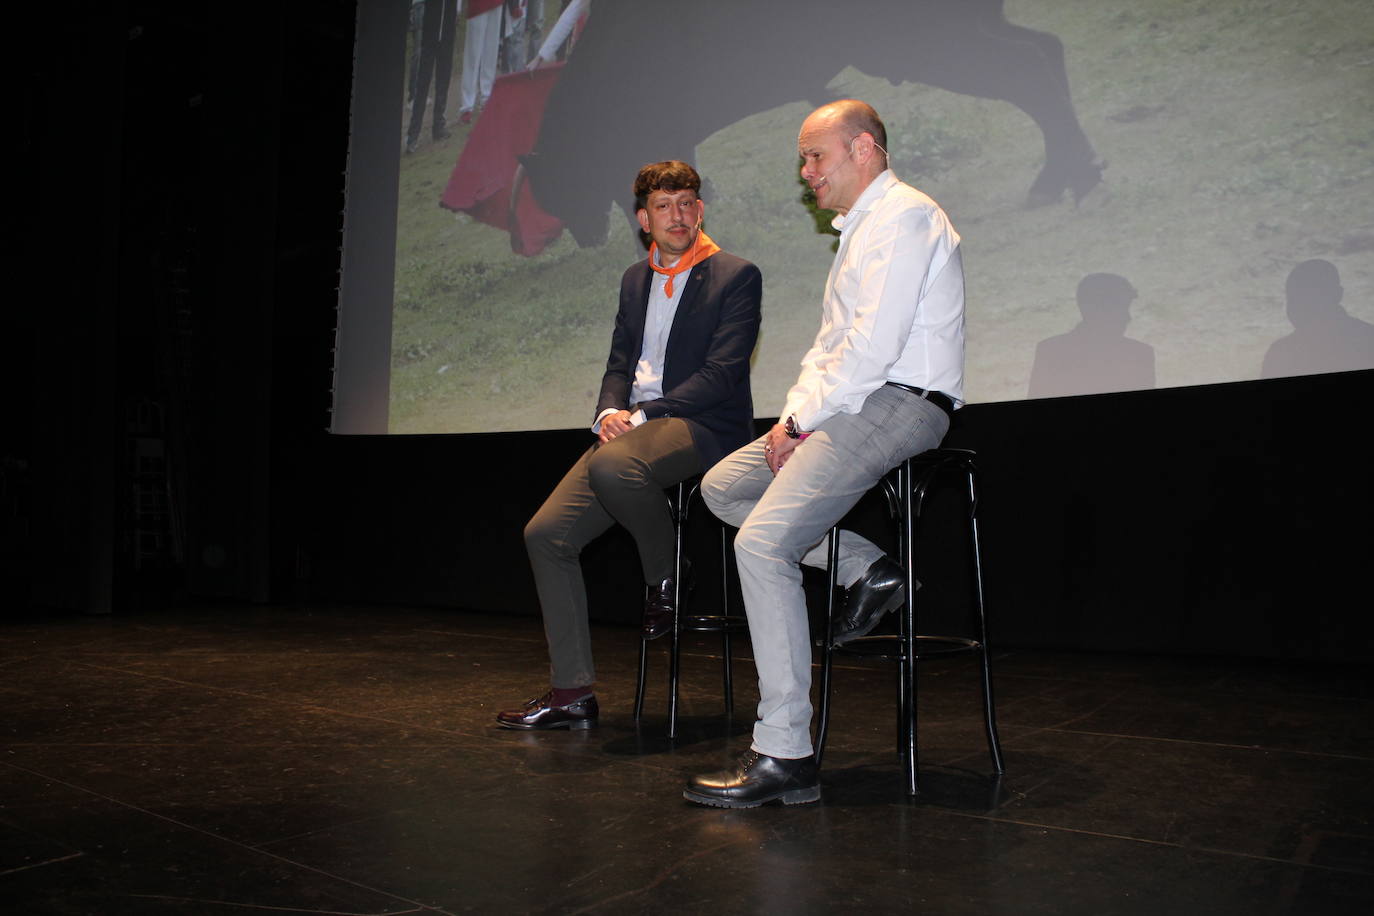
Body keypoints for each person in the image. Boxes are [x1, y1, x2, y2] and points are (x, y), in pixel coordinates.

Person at [685, 100, 966, 808]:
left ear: (863, 148)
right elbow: (829, 351)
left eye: (816, 156)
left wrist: (803, 421)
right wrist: (790, 421)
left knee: (764, 547)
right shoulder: (860, 231)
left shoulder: (905, 216)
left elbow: (872, 350)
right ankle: (869, 572)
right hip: (851, 401)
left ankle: (785, 753)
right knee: (722, 487)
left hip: (901, 402)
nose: (806, 172)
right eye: (804, 160)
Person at [496, 161, 763, 731]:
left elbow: (722, 375)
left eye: (688, 203)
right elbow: (620, 361)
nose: (679, 216)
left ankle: (667, 576)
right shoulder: (633, 280)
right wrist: (610, 410)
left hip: (701, 422)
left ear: (701, 210)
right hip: (634, 426)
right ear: (643, 219)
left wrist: (644, 412)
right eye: (665, 207)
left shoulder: (736, 275)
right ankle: (572, 692)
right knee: (545, 536)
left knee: (617, 468)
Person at [1027, 273, 1155, 398]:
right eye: (1120, 309)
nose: (1127, 318)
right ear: (1094, 310)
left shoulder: (1050, 351)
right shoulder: (1139, 355)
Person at [1261, 259, 1374, 379]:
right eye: (1294, 298)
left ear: (1337, 294)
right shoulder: (1280, 353)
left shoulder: (1281, 353)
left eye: (1309, 297)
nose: (1300, 306)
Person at [404, 0, 458, 155]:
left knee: (444, 77)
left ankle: (438, 125)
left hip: (447, 27)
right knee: (423, 83)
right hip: (431, 30)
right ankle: (413, 135)